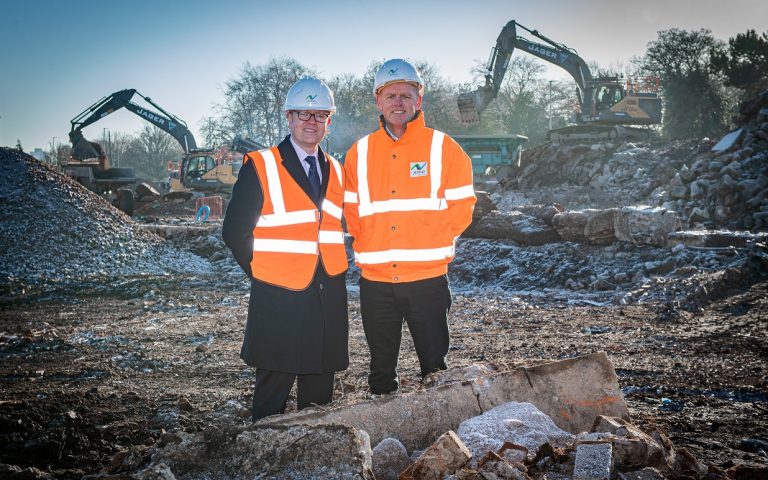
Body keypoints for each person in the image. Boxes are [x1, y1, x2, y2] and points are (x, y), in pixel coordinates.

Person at [343, 59, 476, 395]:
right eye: (391, 96)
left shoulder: (443, 148)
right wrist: (368, 241)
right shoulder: (359, 152)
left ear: (419, 99)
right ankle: (383, 442)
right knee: (380, 373)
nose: (398, 102)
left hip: (427, 281)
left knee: (435, 370)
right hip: (376, 283)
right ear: (378, 101)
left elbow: (463, 207)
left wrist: (433, 237)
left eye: (406, 94)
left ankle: (439, 439)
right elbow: (351, 210)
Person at [222, 77, 349, 420]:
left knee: (319, 406)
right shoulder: (261, 165)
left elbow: (336, 228)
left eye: (319, 115)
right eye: (304, 114)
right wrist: (265, 273)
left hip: (328, 297)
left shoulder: (337, 170)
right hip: (279, 299)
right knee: (270, 402)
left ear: (328, 121)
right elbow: (235, 231)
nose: (312, 122)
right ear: (289, 118)